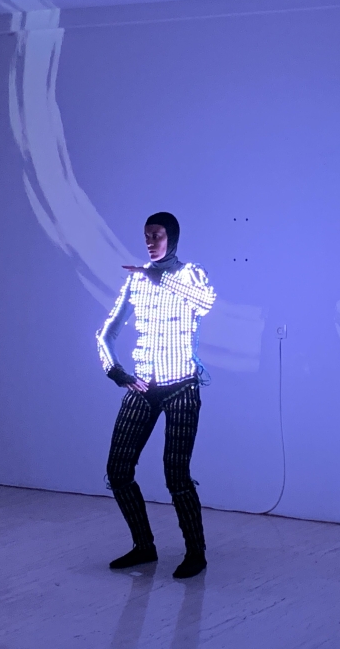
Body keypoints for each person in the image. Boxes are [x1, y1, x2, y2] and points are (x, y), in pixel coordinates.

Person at [96, 212, 216, 579]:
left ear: (172, 237)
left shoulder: (190, 273)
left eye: (157, 235)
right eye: (147, 235)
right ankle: (143, 546)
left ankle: (195, 553)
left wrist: (160, 277)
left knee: (176, 474)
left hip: (182, 387)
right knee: (118, 470)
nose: (150, 241)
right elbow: (106, 332)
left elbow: (206, 303)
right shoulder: (136, 280)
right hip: (144, 386)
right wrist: (116, 371)